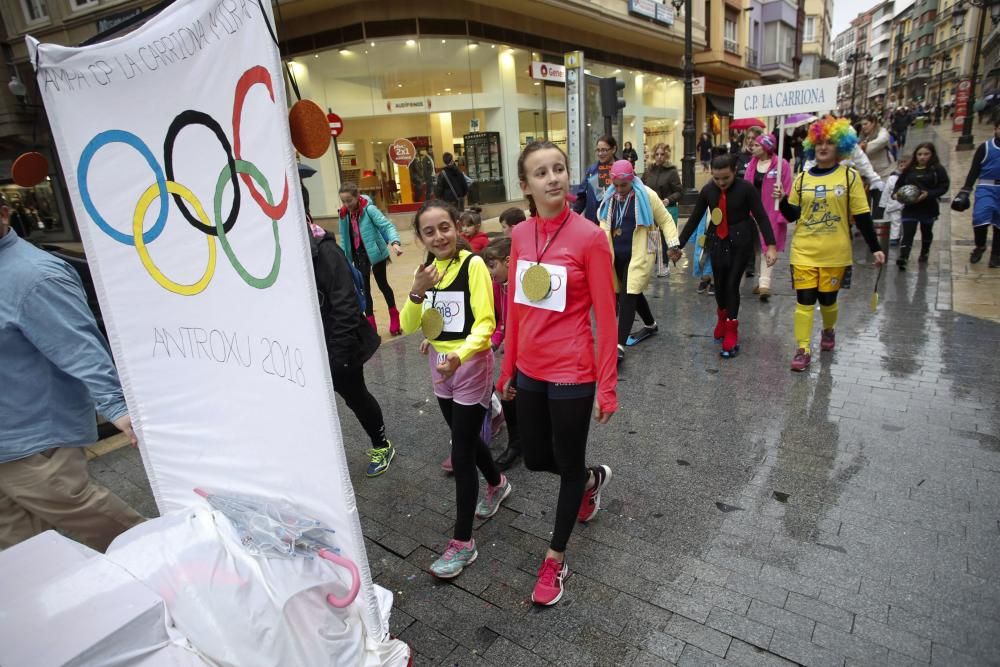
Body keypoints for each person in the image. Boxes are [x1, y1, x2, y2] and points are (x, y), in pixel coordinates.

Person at [498, 140, 617, 606]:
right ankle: (591, 481)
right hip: (529, 367)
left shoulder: (590, 237)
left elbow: (606, 319)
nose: (553, 178)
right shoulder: (523, 234)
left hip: (573, 370)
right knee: (533, 458)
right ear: (525, 185)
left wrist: (606, 386)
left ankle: (555, 559)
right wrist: (506, 366)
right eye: (541, 173)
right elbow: (517, 305)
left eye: (559, 169)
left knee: (566, 463)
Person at [0, 201, 145, 552]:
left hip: (34, 442)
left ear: (4, 212)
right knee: (22, 555)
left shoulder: (33, 274)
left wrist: (118, 407)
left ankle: (187, 569)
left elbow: (78, 345)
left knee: (113, 529)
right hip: (11, 440)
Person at [402, 201, 510, 579]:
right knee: (461, 436)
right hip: (439, 365)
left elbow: (484, 323)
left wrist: (459, 355)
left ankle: (463, 542)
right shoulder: (428, 271)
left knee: (460, 452)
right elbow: (411, 323)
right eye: (429, 231)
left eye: (444, 227)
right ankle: (498, 483)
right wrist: (416, 291)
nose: (439, 236)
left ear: (456, 227)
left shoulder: (472, 264)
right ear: (420, 237)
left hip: (470, 365)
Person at [776, 117, 886, 372]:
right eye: (819, 143)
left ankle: (828, 329)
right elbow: (792, 215)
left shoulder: (849, 177)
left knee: (827, 301)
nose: (823, 147)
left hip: (835, 252)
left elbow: (861, 215)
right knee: (804, 301)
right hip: (804, 251)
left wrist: (875, 247)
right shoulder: (802, 178)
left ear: (840, 147)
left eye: (829, 143)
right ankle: (803, 348)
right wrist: (782, 200)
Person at [312, 225, 396, 477]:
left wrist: (338, 357)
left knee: (356, 397)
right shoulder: (284, 254)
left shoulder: (326, 252)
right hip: (311, 347)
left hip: (340, 346)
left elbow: (346, 307)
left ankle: (381, 445)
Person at [676, 155, 777, 358]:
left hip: (741, 242)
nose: (721, 183)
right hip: (717, 241)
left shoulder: (746, 189)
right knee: (720, 287)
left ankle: (732, 328)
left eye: (726, 178)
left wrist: (771, 246)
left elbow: (761, 217)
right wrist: (678, 245)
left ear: (735, 170)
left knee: (732, 285)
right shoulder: (708, 191)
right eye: (716, 178)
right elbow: (694, 219)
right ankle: (722, 317)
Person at [598, 160, 679, 363]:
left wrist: (673, 244)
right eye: (615, 185)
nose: (619, 189)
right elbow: (602, 226)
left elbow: (666, 220)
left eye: (623, 185)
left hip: (642, 252)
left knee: (628, 294)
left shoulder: (648, 195)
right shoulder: (610, 197)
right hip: (615, 254)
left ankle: (619, 345)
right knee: (631, 291)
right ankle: (651, 324)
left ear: (632, 178)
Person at [338, 182, 404, 336]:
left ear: (357, 196)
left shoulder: (369, 209)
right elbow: (343, 239)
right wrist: (343, 259)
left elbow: (387, 226)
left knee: (383, 285)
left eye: (349, 200)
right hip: (358, 255)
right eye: (344, 201)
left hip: (375, 252)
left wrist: (395, 242)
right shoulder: (343, 215)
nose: (347, 204)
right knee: (364, 290)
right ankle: (370, 326)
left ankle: (394, 316)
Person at [482, 237, 520, 470]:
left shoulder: (522, 283)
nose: (489, 271)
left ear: (508, 261)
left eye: (492, 265)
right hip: (513, 352)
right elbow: (500, 325)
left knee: (515, 391)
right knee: (506, 390)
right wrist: (490, 345)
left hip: (532, 352)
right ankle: (516, 443)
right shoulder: (497, 287)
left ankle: (529, 440)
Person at [743, 133, 792, 301]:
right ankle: (759, 278)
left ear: (766, 147)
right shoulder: (752, 164)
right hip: (752, 211)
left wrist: (783, 197)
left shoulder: (781, 165)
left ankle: (765, 283)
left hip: (771, 211)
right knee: (754, 247)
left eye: (756, 145)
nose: (753, 147)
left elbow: (788, 188)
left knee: (768, 246)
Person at [892, 141, 950, 270]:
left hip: (928, 207)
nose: (922, 157)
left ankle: (925, 251)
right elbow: (898, 185)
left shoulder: (937, 169)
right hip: (910, 207)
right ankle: (904, 257)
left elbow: (944, 186)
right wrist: (896, 194)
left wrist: (929, 194)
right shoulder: (909, 170)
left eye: (926, 154)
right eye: (919, 154)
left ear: (932, 154)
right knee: (908, 232)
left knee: (926, 231)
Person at [953, 117, 1000, 267]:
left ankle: (996, 255)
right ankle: (980, 246)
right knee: (980, 219)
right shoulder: (985, 147)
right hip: (987, 187)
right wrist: (966, 189)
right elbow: (974, 170)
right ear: (996, 128)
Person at [643, 143, 684, 277]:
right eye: (657, 154)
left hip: (667, 209)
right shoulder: (649, 170)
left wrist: (668, 200)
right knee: (652, 236)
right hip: (651, 209)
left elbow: (679, 192)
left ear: (666, 155)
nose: (659, 157)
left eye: (662, 154)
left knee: (665, 237)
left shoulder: (671, 171)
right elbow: (642, 187)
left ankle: (664, 264)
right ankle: (653, 263)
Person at [574, 135, 618, 223]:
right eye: (598, 150)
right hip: (594, 221)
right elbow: (582, 197)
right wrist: (572, 215)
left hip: (616, 221)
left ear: (613, 149)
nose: (600, 154)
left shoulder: (623, 169)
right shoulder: (592, 171)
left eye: (604, 150)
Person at [880, 154, 911, 247]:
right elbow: (886, 191)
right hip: (892, 203)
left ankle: (896, 237)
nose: (902, 166)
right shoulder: (892, 178)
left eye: (905, 164)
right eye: (901, 164)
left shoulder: (910, 177)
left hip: (904, 204)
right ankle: (893, 237)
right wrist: (882, 204)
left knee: (899, 222)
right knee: (892, 220)